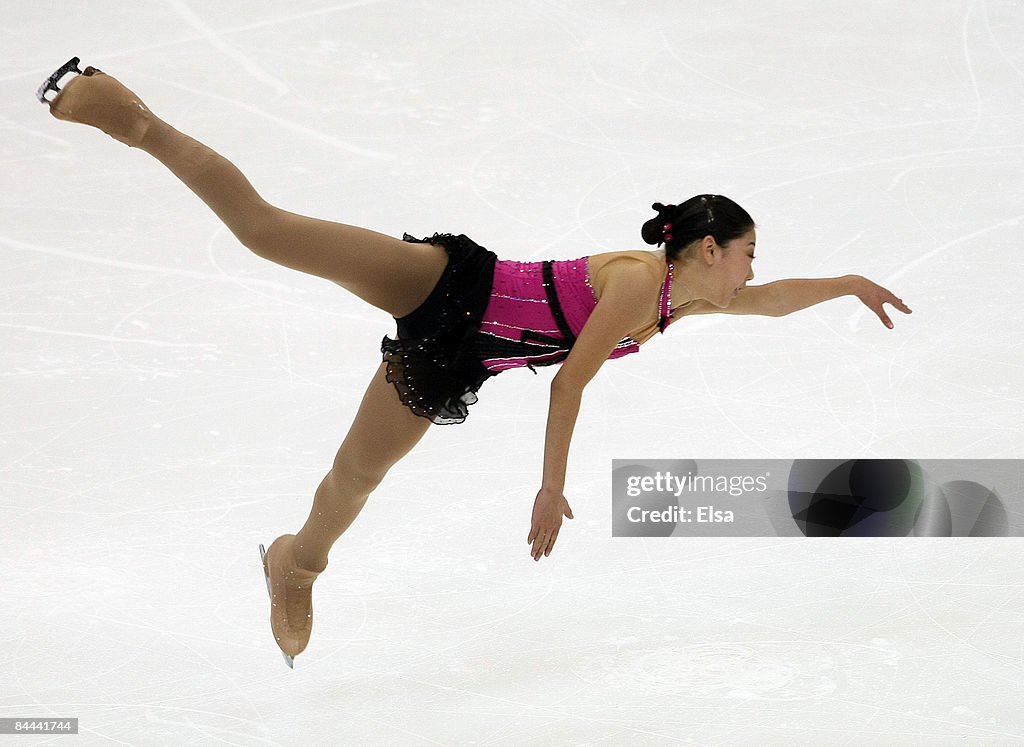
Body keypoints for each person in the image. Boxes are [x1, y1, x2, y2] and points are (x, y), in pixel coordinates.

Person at [36, 59, 912, 663]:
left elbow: (771, 299)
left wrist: (847, 283)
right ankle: (135, 120)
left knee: (352, 478)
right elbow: (571, 380)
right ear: (710, 247)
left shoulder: (688, 298)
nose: (754, 269)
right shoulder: (642, 283)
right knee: (268, 232)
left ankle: (293, 565)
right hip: (450, 287)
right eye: (749, 251)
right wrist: (549, 484)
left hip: (461, 360)